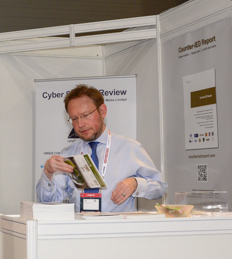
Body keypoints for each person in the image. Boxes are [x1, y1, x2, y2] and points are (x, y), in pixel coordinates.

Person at [36, 84, 166, 212]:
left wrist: (135, 183)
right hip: (80, 225)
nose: (80, 124)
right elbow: (48, 202)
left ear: (102, 111)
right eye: (74, 119)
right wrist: (48, 172)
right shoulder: (68, 154)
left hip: (117, 225)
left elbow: (159, 188)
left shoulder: (129, 148)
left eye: (86, 115)